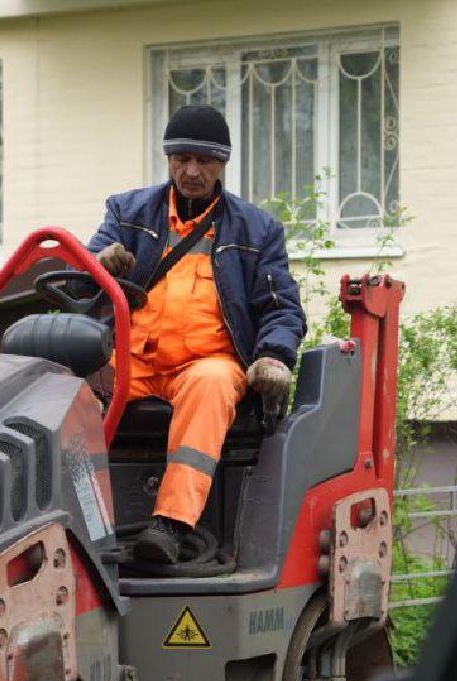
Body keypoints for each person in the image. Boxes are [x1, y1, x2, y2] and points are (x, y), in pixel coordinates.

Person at [87, 104, 306, 564]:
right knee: (72, 395)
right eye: (181, 158)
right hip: (130, 360)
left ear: (222, 164)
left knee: (211, 385)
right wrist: (98, 265)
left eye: (204, 161)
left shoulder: (258, 230)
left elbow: (281, 306)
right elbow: (79, 274)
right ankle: (75, 519)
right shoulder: (127, 213)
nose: (191, 171)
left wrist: (274, 356)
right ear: (168, 159)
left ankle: (171, 525)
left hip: (206, 364)